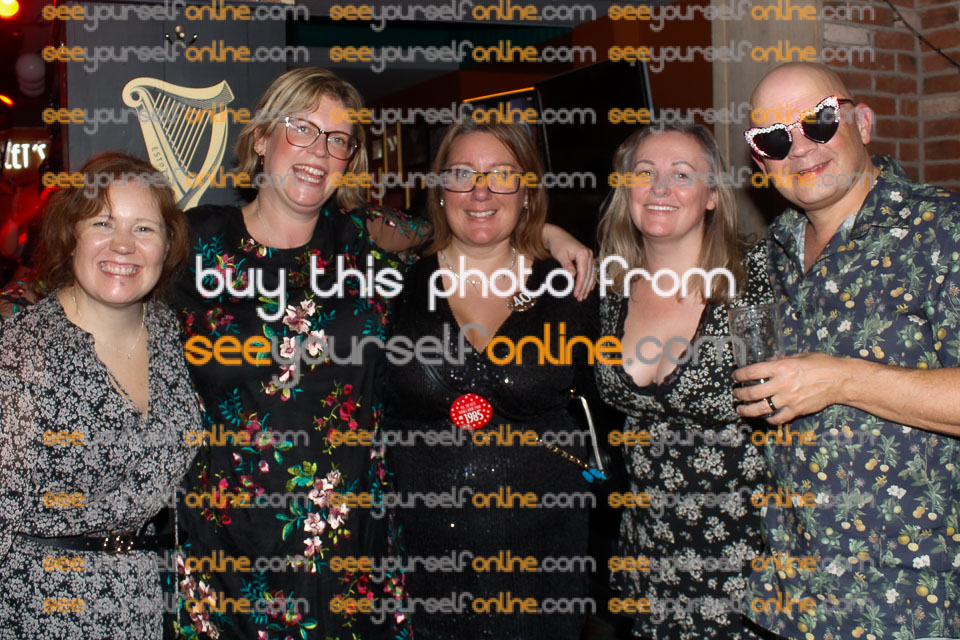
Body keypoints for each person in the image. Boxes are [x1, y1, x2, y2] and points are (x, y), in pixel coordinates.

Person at [173, 67, 594, 640]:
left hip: (355, 552)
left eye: (337, 140)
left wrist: (548, 234)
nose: (319, 151)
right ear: (262, 137)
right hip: (231, 547)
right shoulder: (191, 245)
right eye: (301, 129)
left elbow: (469, 224)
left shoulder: (368, 244)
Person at [737, 61, 960, 640]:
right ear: (761, 162)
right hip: (790, 601)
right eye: (775, 139)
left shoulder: (942, 230)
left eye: (819, 121)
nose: (800, 147)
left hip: (913, 607)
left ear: (862, 122)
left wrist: (843, 380)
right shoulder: (768, 256)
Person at [380, 119, 599, 639]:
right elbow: (338, 220)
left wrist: (548, 235)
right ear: (440, 191)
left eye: (502, 174)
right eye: (462, 174)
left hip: (544, 565)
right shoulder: (392, 283)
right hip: (420, 568)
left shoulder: (571, 286)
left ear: (527, 191)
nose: (480, 192)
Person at [0, 152, 199, 639]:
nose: (123, 245)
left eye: (144, 229)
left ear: (167, 244)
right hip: (42, 610)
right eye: (103, 223)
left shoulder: (172, 335)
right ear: (71, 236)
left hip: (147, 606)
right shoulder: (20, 354)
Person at [594, 122, 769, 639]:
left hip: (749, 563)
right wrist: (553, 235)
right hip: (651, 559)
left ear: (712, 195)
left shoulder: (756, 280)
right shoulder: (608, 287)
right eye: (644, 173)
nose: (660, 188)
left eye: (682, 174)